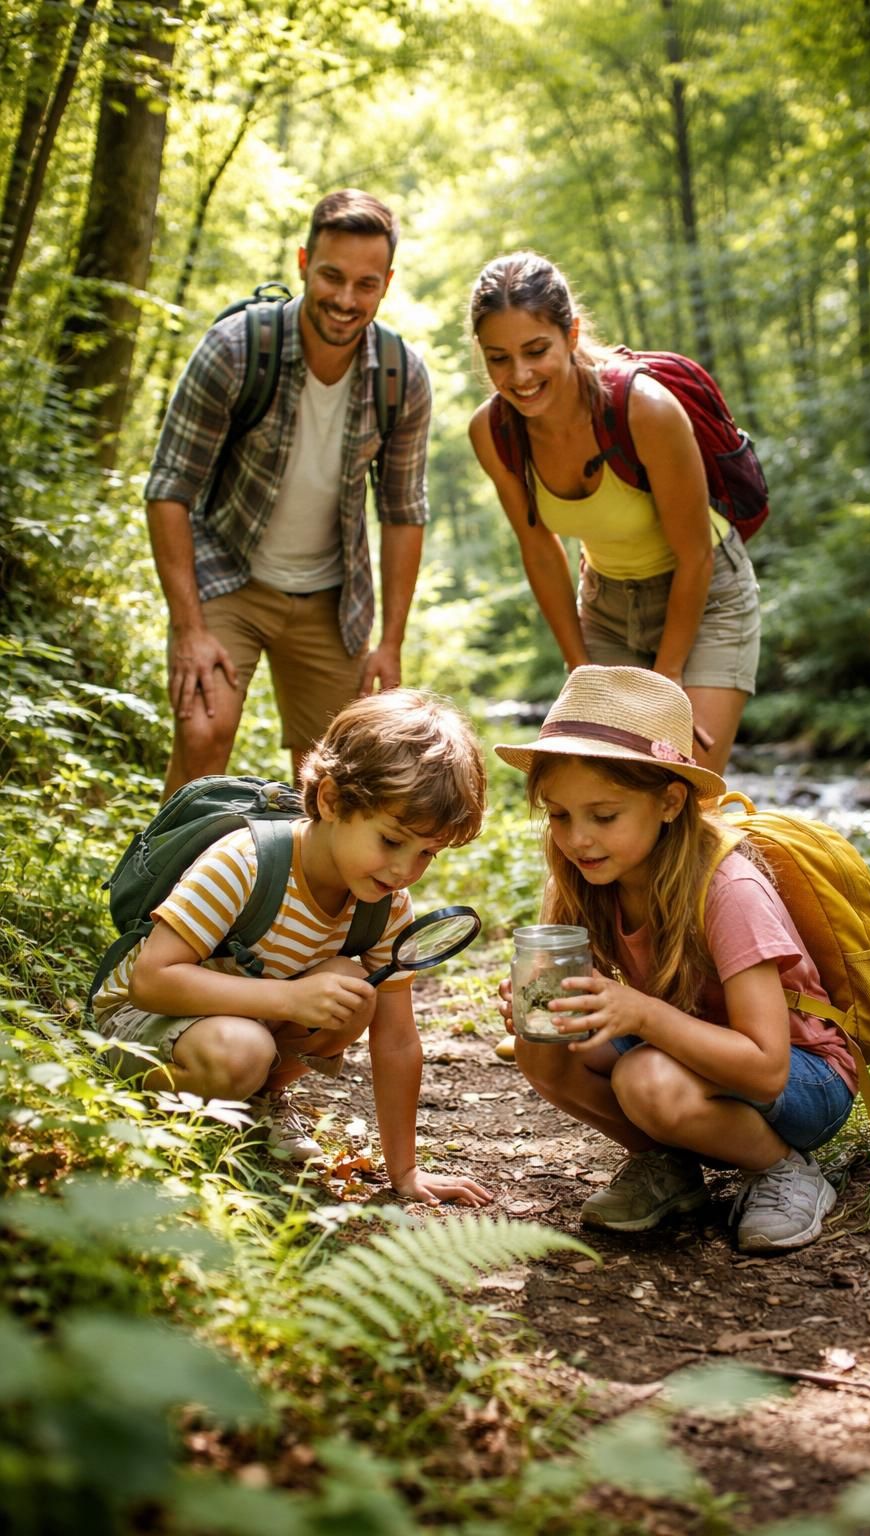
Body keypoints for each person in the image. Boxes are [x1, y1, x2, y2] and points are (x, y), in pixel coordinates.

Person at [493, 666, 856, 1252]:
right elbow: (581, 1013)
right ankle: (669, 1166)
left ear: (669, 801)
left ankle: (785, 1170)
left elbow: (768, 1067)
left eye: (603, 815)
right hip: (692, 1056)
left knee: (647, 1078)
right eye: (559, 815)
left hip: (803, 1077)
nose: (577, 838)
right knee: (545, 1042)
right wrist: (547, 1006)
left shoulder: (727, 888)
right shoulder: (592, 873)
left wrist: (639, 1015)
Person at [91, 687, 492, 1205]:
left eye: (427, 854)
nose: (404, 870)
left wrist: (406, 1171)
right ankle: (154, 1098)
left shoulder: (386, 905)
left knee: (352, 991)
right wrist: (287, 1001)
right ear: (330, 799)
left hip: (239, 1019)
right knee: (241, 1050)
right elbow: (152, 980)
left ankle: (259, 1095)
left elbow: (395, 1039)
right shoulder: (246, 862)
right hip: (139, 1019)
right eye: (392, 841)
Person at [147, 188, 432, 799]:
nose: (345, 300)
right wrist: (189, 628)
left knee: (332, 780)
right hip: (227, 576)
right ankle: (163, 891)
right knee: (203, 732)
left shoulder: (401, 376)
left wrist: (391, 641)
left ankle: (295, 896)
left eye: (365, 284)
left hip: (332, 599)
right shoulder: (235, 350)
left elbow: (404, 511)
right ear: (304, 263)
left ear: (386, 284)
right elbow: (169, 489)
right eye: (331, 276)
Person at [468, 251, 760, 779]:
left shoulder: (644, 408)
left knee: (686, 788)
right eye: (499, 359)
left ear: (571, 334)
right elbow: (538, 548)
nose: (520, 375)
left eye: (536, 351)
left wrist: (667, 680)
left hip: (707, 597)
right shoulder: (493, 432)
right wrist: (579, 665)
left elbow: (695, 555)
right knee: (606, 792)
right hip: (607, 607)